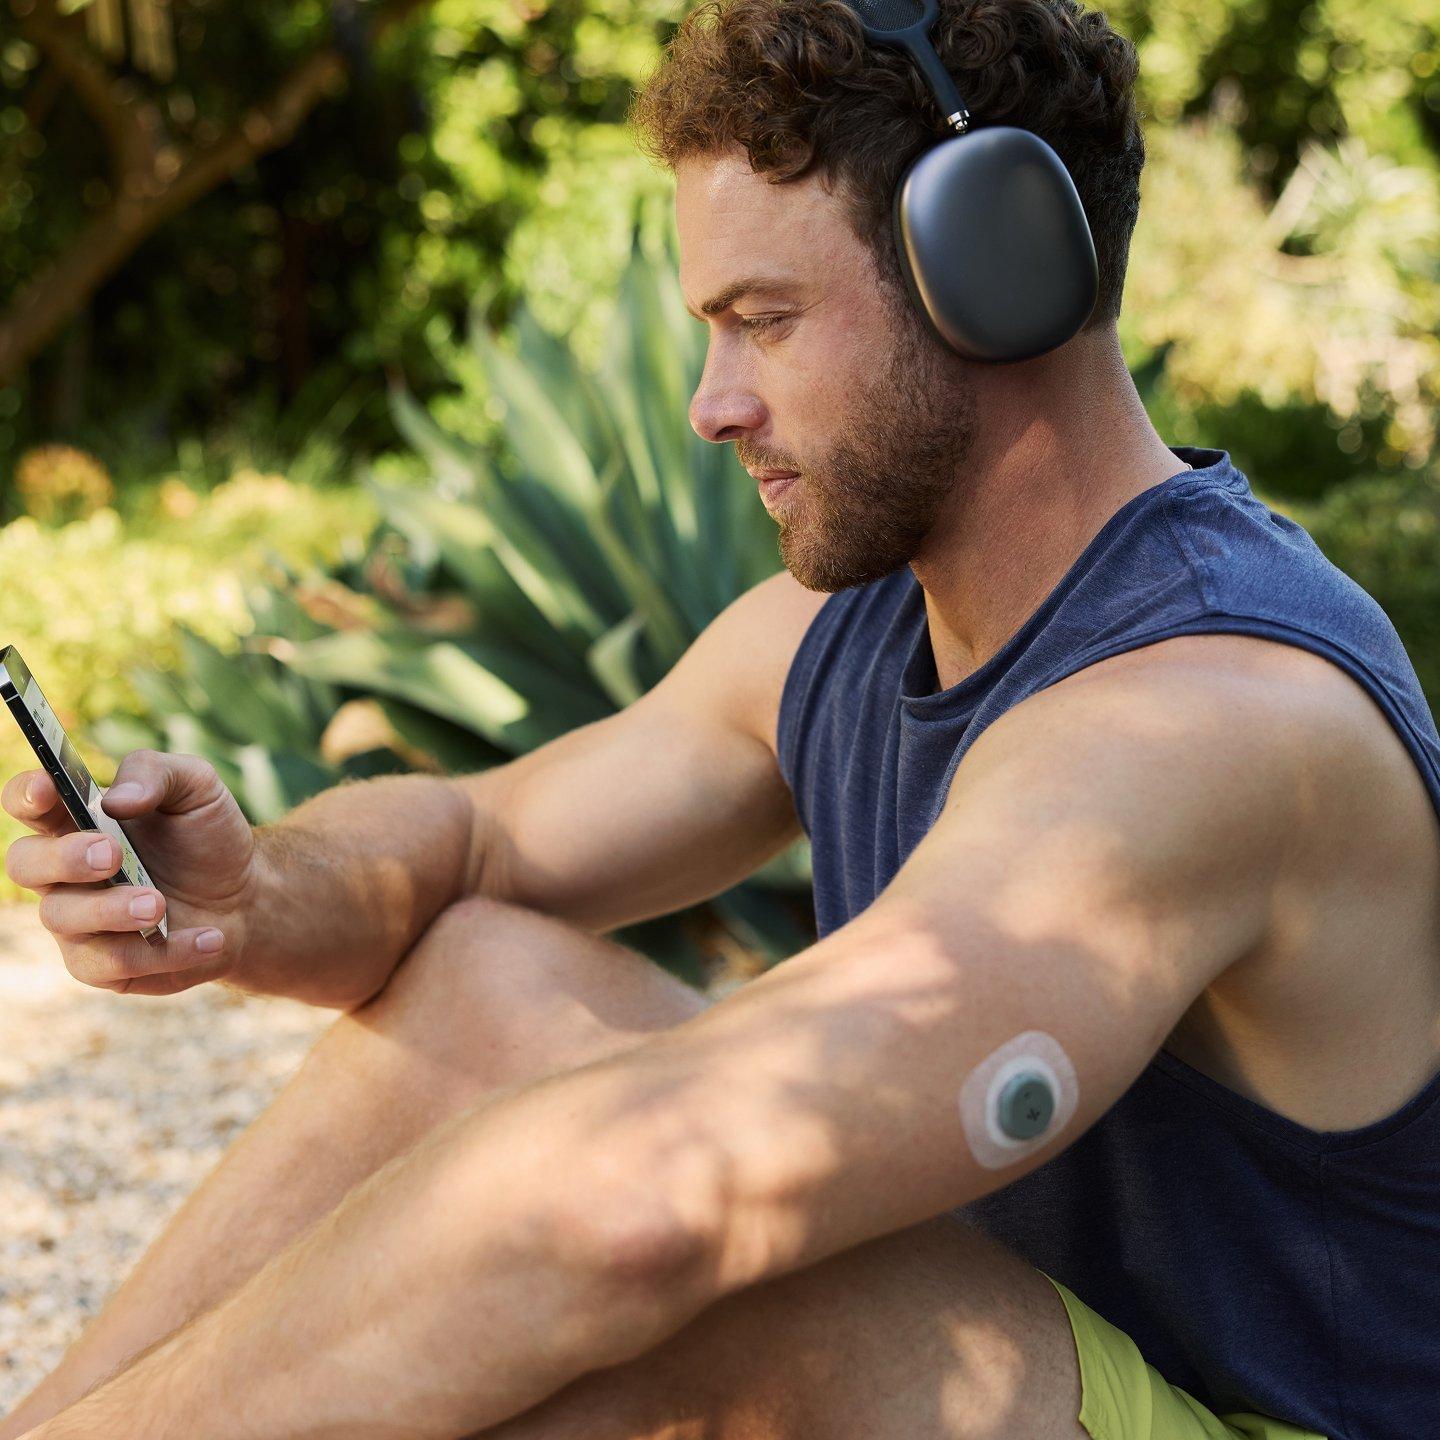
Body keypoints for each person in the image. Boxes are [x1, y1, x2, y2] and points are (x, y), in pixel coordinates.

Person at [3, 0, 1438, 1435]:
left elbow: (643, 1201)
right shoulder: (844, 637)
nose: (711, 404)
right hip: (1072, 1374)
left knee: (721, 1281)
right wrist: (256, 895)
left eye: (764, 322)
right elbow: (479, 847)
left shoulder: (1207, 720)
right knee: (485, 989)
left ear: (997, 276)